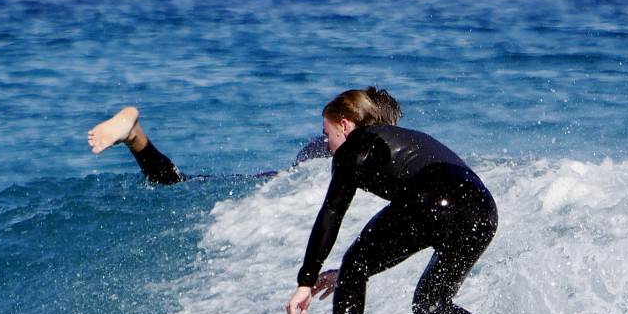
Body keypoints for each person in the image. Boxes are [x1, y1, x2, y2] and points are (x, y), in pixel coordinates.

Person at [285, 89, 497, 314]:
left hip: (435, 194)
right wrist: (350, 274)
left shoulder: (356, 144)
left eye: (327, 133)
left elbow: (331, 213)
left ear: (344, 125)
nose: (328, 144)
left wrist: (306, 281)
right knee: (430, 305)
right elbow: (424, 220)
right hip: (482, 212)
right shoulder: (401, 139)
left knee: (356, 262)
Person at [86, 89, 402, 184]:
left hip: (268, 179)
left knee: (179, 182)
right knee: (176, 183)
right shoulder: (348, 154)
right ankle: (134, 136)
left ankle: (135, 137)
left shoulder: (320, 147)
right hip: (270, 185)